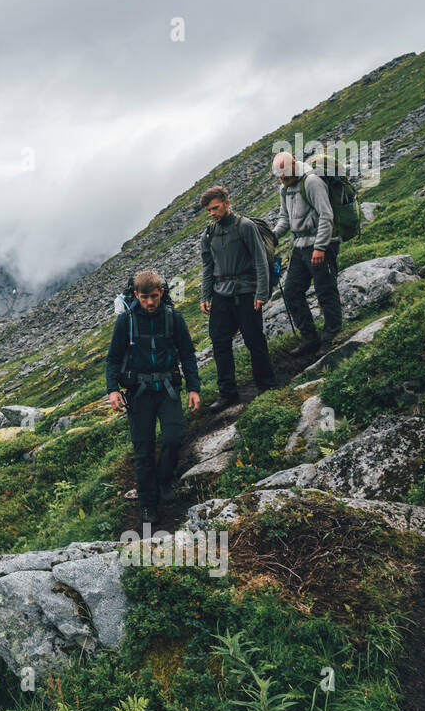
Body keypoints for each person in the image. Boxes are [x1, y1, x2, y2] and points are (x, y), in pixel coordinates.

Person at [106, 271, 202, 527]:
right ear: (136, 295)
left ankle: (164, 479)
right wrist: (112, 390)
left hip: (167, 388)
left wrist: (194, 388)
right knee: (143, 449)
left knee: (174, 437)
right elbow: (113, 358)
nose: (150, 302)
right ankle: (148, 504)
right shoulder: (125, 321)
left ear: (161, 292)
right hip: (138, 393)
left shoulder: (173, 318)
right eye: (145, 297)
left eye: (154, 296)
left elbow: (188, 354)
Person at [198, 185, 277, 412]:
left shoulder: (245, 226)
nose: (212, 213)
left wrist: (262, 292)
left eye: (215, 208)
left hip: (247, 291)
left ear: (227, 202)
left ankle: (267, 385)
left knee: (254, 339)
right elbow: (207, 266)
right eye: (209, 210)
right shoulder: (208, 233)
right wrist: (205, 295)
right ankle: (227, 393)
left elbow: (260, 260)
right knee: (219, 341)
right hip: (221, 293)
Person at [271, 151, 343, 355]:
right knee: (292, 291)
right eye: (279, 174)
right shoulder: (284, 189)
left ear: (294, 164)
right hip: (300, 245)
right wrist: (273, 237)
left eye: (284, 172)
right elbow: (284, 218)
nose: (282, 178)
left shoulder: (311, 182)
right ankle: (310, 338)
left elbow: (326, 214)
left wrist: (320, 247)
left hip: (322, 243)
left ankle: (332, 335)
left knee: (325, 290)